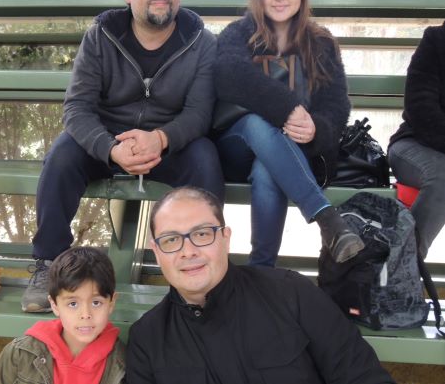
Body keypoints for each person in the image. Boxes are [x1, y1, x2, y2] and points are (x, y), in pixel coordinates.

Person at [22, 0, 224, 312]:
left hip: (167, 144)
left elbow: (199, 114)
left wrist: (160, 139)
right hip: (107, 140)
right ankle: (48, 262)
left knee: (205, 157)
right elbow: (77, 108)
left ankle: (207, 272)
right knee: (63, 154)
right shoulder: (101, 36)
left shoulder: (202, 42)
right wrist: (111, 148)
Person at [126, 186, 395, 384]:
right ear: (156, 252)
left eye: (202, 234)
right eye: (171, 240)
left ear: (225, 238)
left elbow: (362, 376)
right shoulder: (147, 339)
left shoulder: (292, 293)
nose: (188, 251)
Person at [212, 0, 362, 267]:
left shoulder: (321, 43)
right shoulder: (238, 33)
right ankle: (326, 218)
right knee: (255, 122)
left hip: (292, 154)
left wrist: (316, 129)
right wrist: (288, 109)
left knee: (268, 168)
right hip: (237, 148)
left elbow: (337, 106)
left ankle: (262, 270)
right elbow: (227, 74)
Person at [0, 247, 125, 384]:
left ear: (111, 303)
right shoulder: (19, 354)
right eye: (73, 304)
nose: (85, 315)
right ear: (54, 305)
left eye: (96, 303)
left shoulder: (124, 363)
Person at [388, 20, 445, 259]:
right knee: (443, 177)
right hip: (413, 144)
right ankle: (402, 269)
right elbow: (420, 106)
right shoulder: (437, 40)